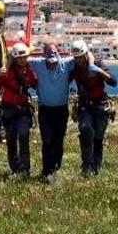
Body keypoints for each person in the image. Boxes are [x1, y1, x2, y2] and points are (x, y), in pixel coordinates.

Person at [28, 42, 75, 183]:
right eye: (48, 53)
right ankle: (46, 171)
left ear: (59, 53)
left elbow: (86, 55)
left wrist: (91, 66)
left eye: (54, 52)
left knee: (58, 140)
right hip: (45, 109)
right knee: (47, 141)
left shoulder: (66, 63)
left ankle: (56, 167)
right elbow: (20, 58)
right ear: (43, 55)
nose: (52, 56)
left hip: (61, 109)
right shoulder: (38, 63)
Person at [71, 39, 118, 177]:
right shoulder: (73, 66)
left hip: (101, 105)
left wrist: (100, 72)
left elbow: (114, 81)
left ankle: (96, 168)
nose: (79, 60)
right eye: (76, 58)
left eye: (81, 57)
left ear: (86, 54)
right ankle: (86, 167)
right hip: (85, 105)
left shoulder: (97, 63)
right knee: (86, 131)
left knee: (98, 137)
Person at [0, 42, 38, 179]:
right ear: (14, 58)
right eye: (20, 58)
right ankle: (15, 167)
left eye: (25, 57)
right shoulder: (5, 71)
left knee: (24, 136)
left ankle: (25, 168)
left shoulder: (29, 71)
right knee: (11, 140)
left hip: (23, 110)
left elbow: (36, 84)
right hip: (8, 110)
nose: (23, 60)